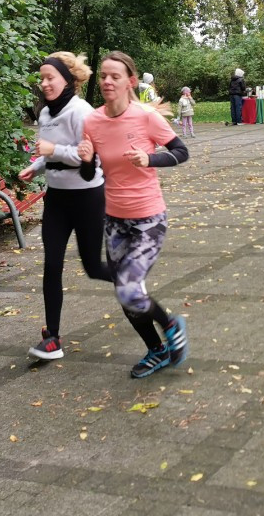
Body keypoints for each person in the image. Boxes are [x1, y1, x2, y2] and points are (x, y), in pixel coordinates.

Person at [77, 51, 190, 379]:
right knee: (126, 295)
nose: (107, 82)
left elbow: (182, 152)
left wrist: (149, 159)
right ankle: (157, 351)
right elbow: (89, 177)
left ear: (130, 82)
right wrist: (86, 161)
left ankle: (171, 325)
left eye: (114, 76)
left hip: (148, 221)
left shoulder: (145, 117)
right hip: (114, 222)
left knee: (129, 289)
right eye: (103, 76)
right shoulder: (92, 122)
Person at [19, 52, 112, 360]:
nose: (44, 83)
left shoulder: (80, 111)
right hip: (57, 199)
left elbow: (90, 157)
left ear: (67, 80)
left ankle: (129, 278)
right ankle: (53, 339)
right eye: (42, 78)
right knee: (52, 266)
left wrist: (52, 150)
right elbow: (51, 154)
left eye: (50, 78)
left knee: (93, 267)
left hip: (87, 197)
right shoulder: (45, 114)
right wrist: (36, 167)